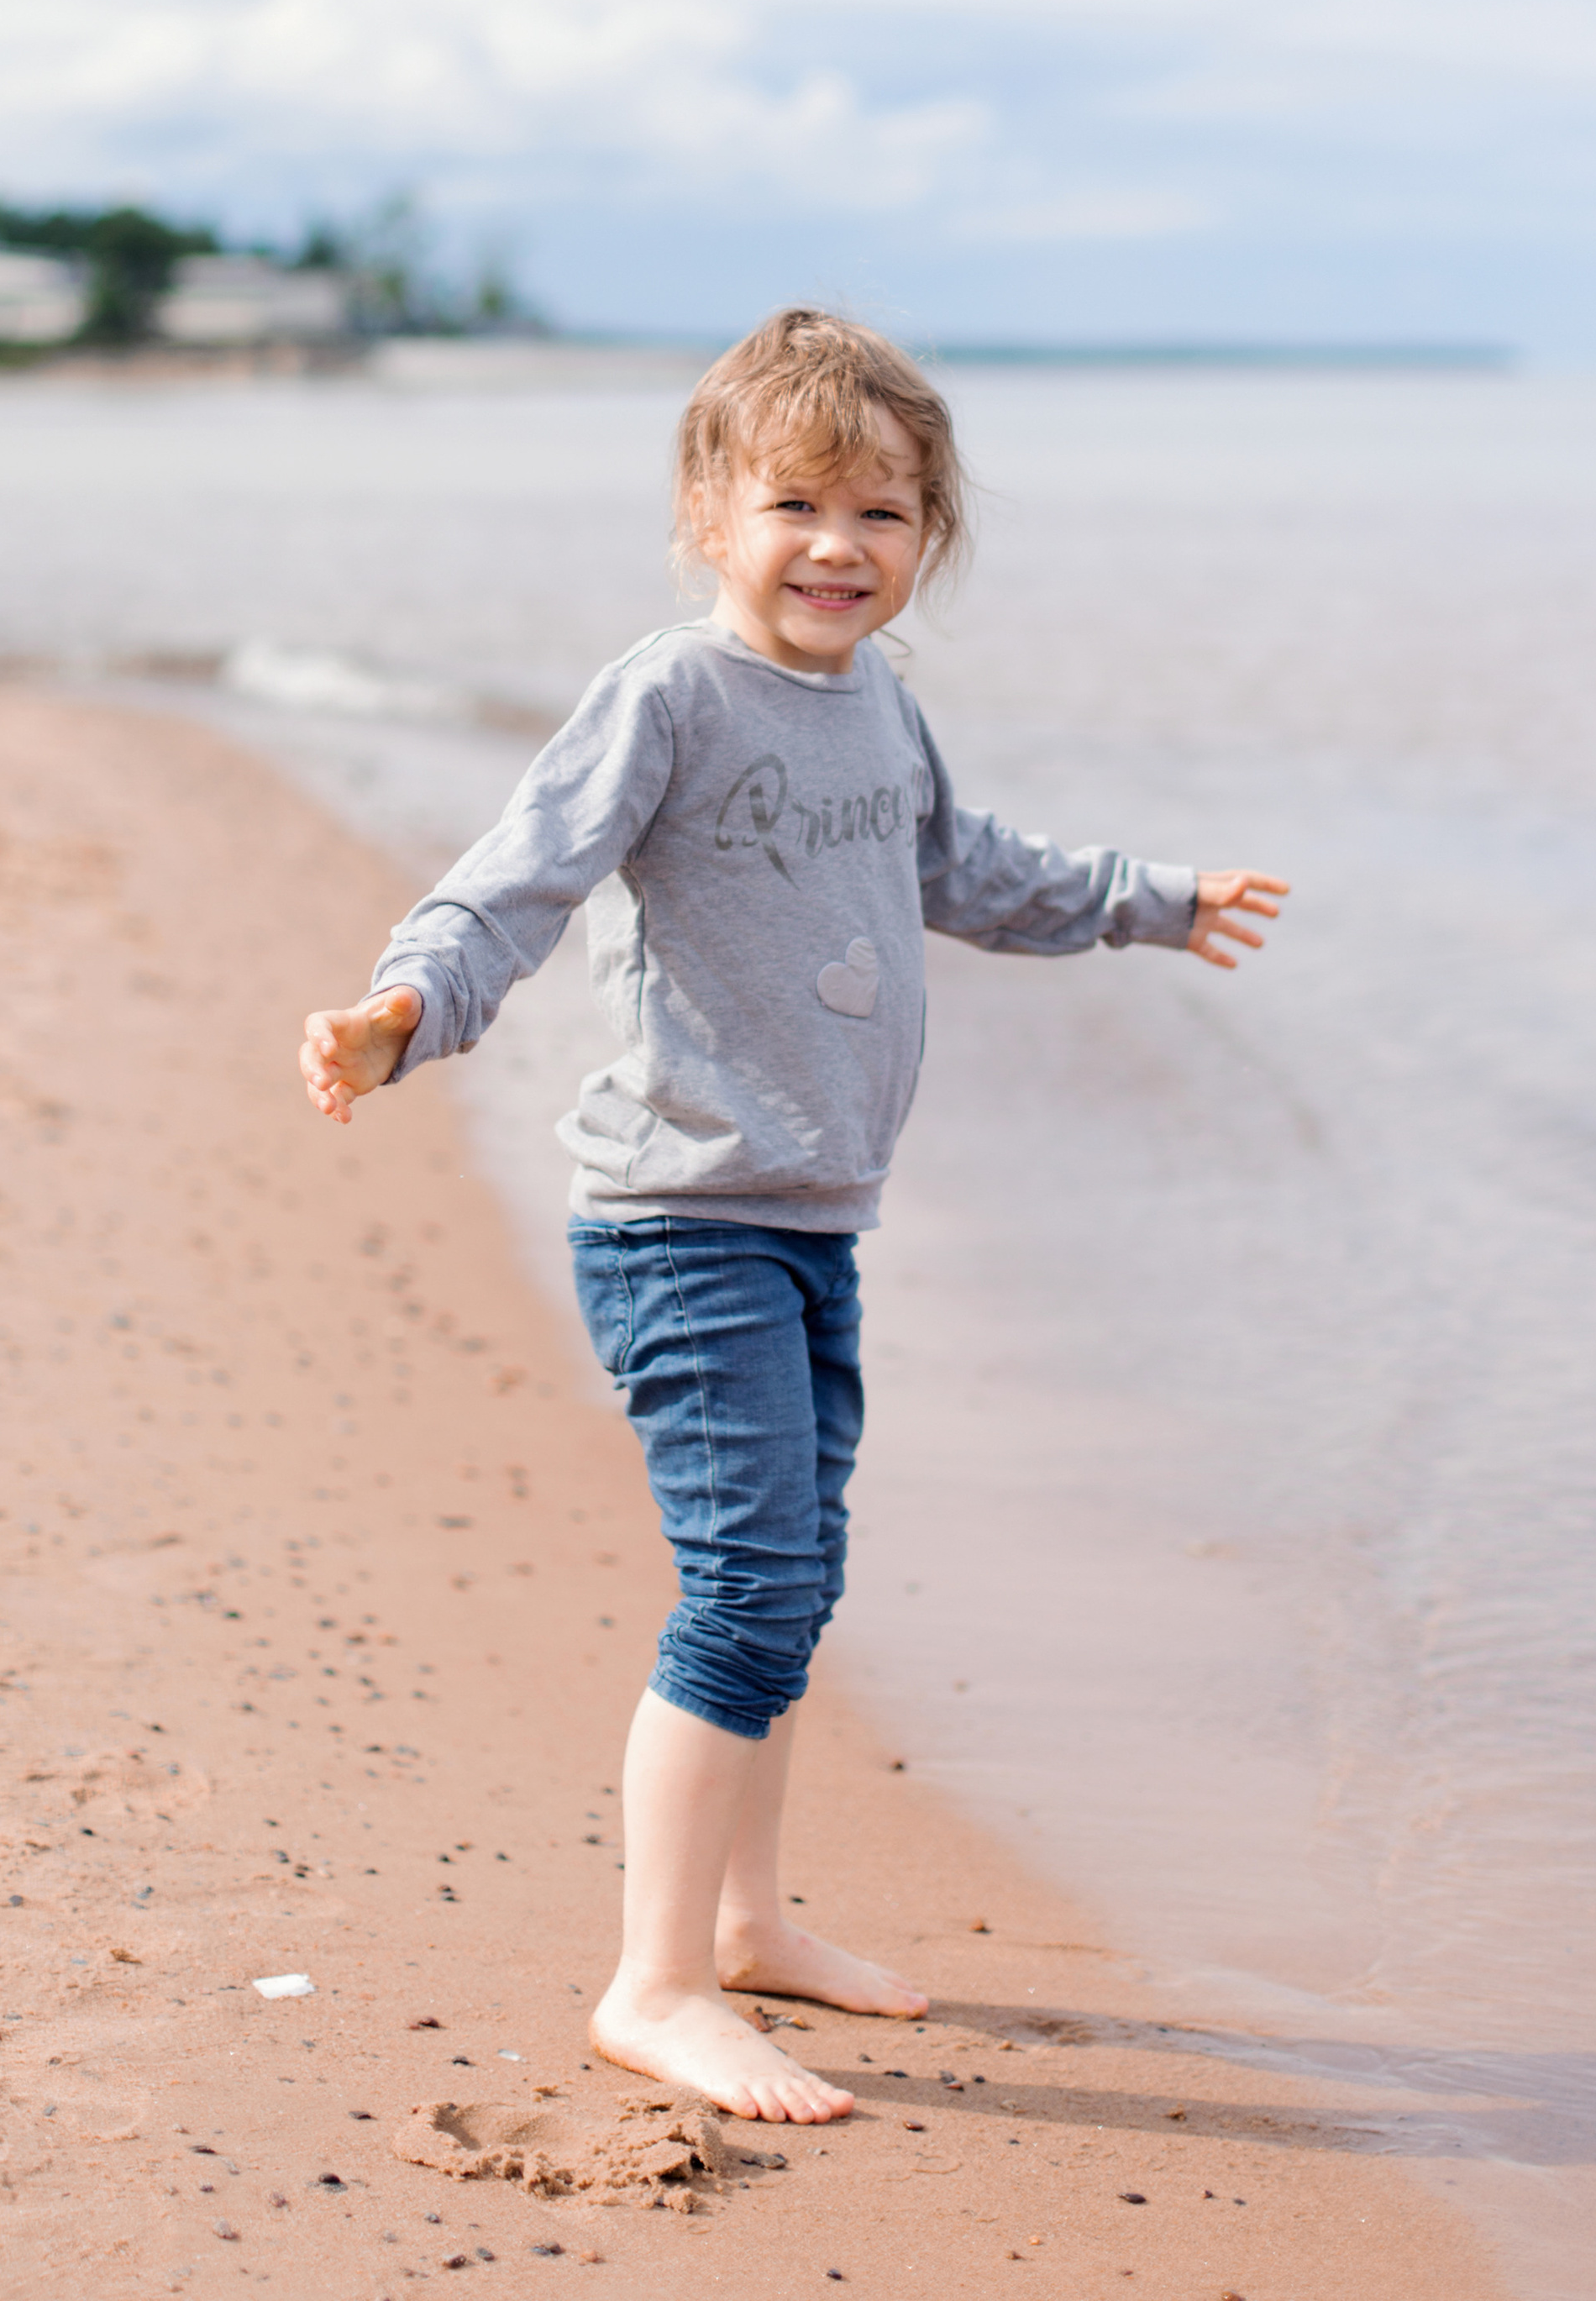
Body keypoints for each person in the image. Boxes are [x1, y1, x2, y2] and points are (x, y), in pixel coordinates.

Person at [298, 307, 1287, 2126]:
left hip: (810, 1217)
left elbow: (963, 872)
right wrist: (403, 1012)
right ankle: (655, 1982)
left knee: (791, 1578)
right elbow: (513, 880)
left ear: (929, 543)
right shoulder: (667, 697)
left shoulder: (876, 705)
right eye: (797, 503)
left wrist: (1149, 900)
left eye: (885, 517)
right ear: (707, 511)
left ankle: (746, 1926)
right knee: (749, 1587)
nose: (839, 546)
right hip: (679, 1216)